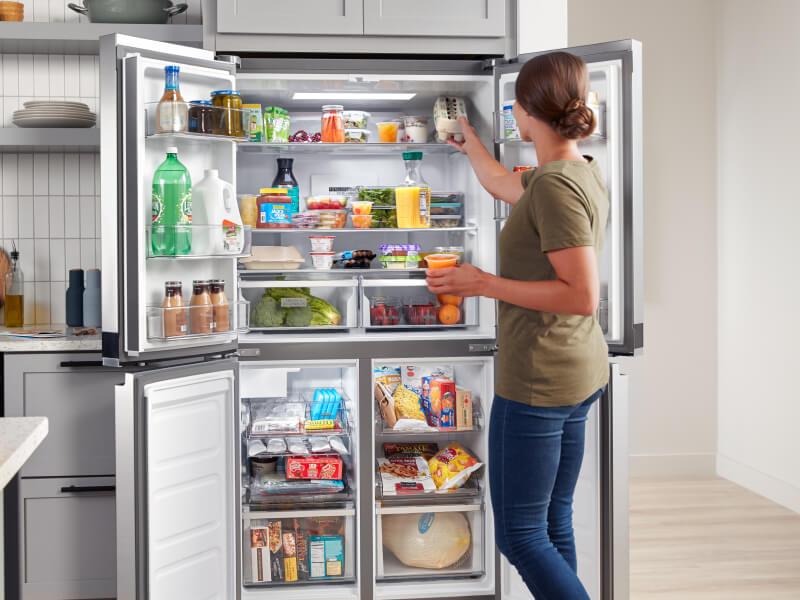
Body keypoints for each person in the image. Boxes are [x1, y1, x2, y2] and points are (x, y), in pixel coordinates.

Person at [426, 51, 609, 599]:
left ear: (526, 112)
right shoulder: (575, 171)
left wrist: (483, 283)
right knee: (551, 522)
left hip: (539, 378)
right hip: (575, 371)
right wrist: (470, 145)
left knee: (521, 535)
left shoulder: (554, 186)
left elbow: (581, 296)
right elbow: (507, 186)